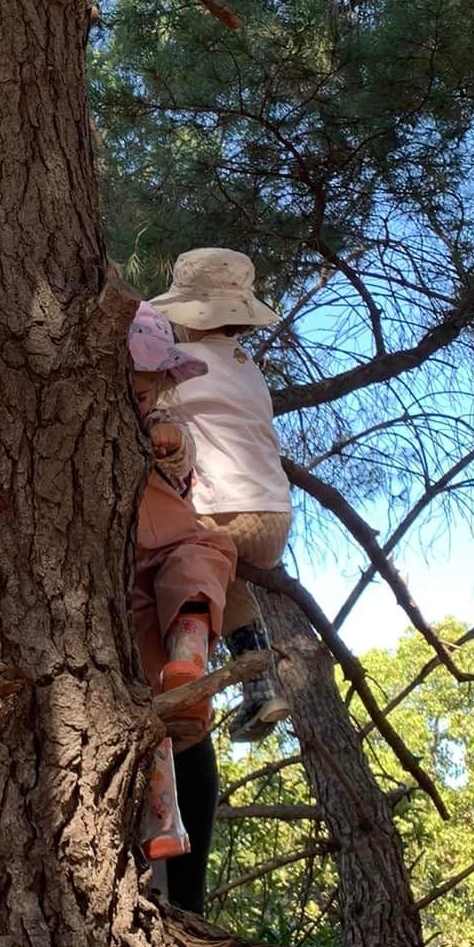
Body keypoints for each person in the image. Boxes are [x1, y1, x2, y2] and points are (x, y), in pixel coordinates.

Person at [148, 247, 292, 742]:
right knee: (231, 585)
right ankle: (260, 684)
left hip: (222, 506)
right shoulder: (250, 369)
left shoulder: (183, 365)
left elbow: (151, 414)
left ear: (187, 318)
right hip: (274, 515)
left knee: (184, 560)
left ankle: (186, 666)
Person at [128, 305, 237, 873]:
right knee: (143, 690)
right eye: (132, 388)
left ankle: (189, 658)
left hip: (171, 548)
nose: (139, 400)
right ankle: (160, 813)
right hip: (129, 575)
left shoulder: (161, 423)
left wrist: (169, 438)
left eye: (148, 390)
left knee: (202, 562)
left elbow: (180, 448)